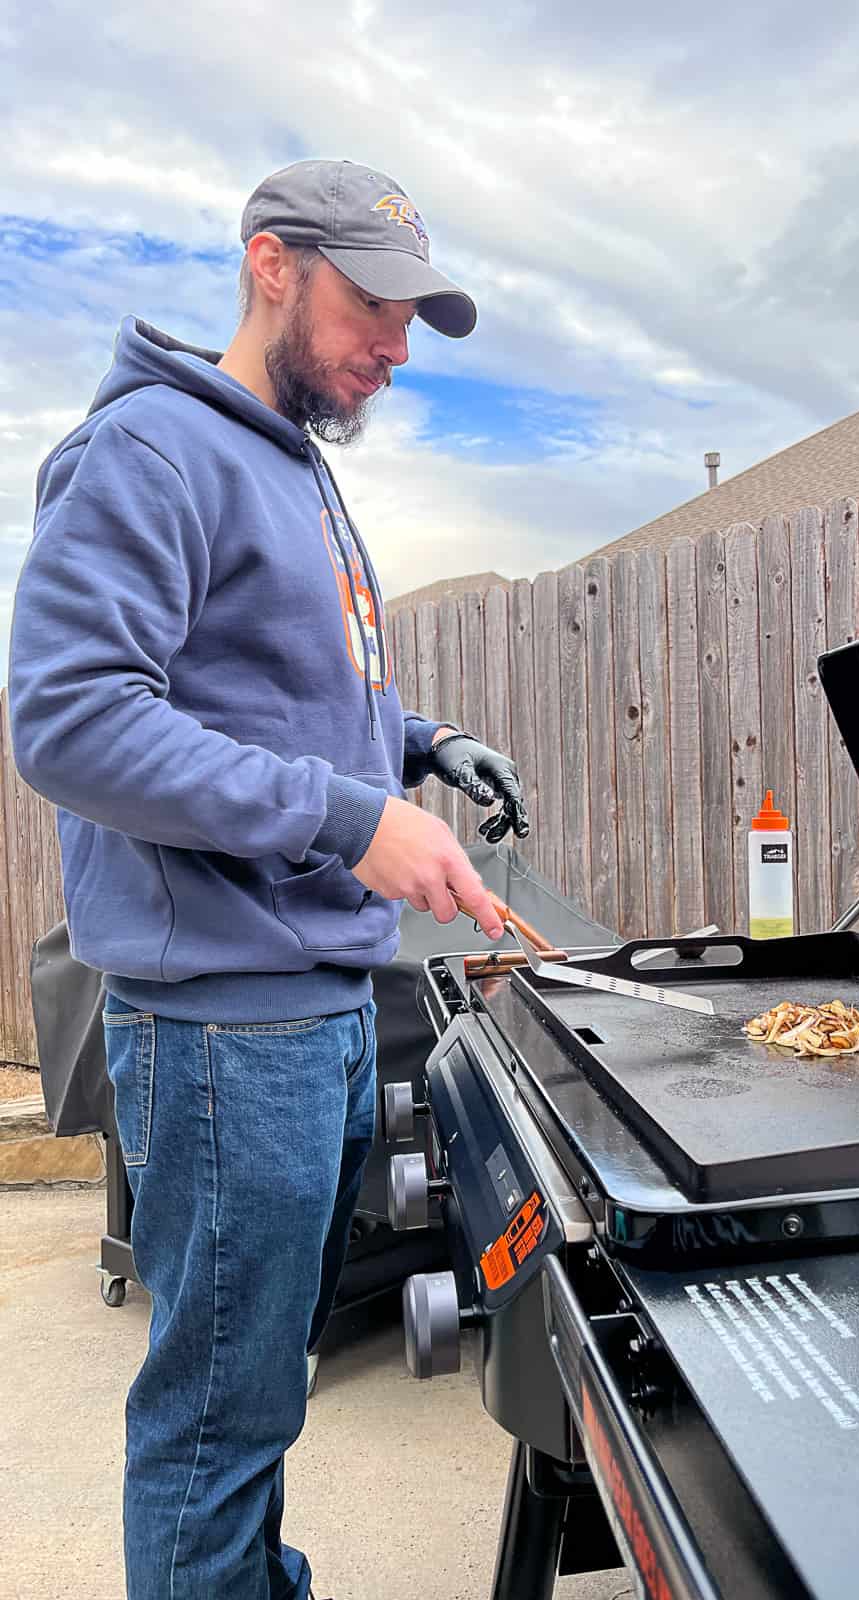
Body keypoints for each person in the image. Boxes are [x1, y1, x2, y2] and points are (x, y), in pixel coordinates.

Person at [8, 158, 529, 1600]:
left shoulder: (291, 462)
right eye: (374, 304)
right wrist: (352, 819)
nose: (397, 346)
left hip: (313, 1003)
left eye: (415, 317)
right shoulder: (150, 454)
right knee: (217, 1418)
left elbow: (283, 699)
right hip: (223, 1026)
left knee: (261, 1387)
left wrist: (428, 744)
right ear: (270, 266)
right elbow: (69, 719)